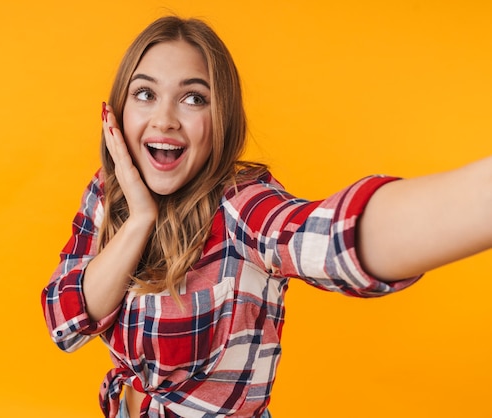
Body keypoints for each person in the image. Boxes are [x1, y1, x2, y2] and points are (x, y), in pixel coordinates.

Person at [41, 16, 492, 418]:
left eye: (193, 99)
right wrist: (140, 219)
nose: (164, 120)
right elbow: (65, 324)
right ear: (119, 110)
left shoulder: (241, 204)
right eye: (145, 93)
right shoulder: (108, 193)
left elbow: (330, 238)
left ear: (223, 117)